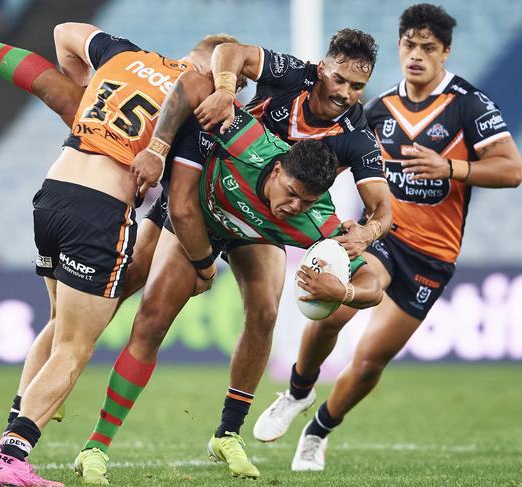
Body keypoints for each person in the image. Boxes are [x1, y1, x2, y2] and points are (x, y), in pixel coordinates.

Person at [0, 14, 232, 486]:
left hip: (52, 194)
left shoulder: (125, 55)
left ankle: (19, 419)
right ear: (215, 75)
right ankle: (11, 458)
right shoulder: (193, 110)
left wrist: (85, 89)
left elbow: (65, 32)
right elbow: (183, 208)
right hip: (99, 211)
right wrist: (203, 264)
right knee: (74, 348)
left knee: (58, 328)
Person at [252, 3, 522, 472]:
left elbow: (512, 169)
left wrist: (452, 168)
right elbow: (331, 165)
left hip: (433, 254)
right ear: (399, 46)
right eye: (409, 45)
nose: (416, 55)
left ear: (446, 53)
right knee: (335, 310)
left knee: (371, 360)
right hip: (383, 237)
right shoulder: (376, 111)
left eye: (428, 48)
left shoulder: (467, 104)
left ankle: (319, 430)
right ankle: (297, 391)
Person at [129, 28, 392, 478]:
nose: (346, 93)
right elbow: (228, 52)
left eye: (357, 87)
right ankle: (72, 346)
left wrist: (368, 233)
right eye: (339, 80)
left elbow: (383, 208)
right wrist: (227, 93)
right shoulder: (294, 75)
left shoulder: (356, 138)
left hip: (269, 215)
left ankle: (227, 434)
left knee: (265, 309)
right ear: (323, 68)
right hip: (211, 190)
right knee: (137, 280)